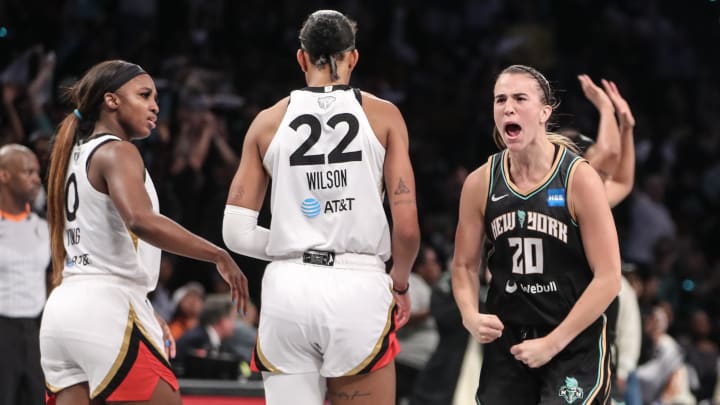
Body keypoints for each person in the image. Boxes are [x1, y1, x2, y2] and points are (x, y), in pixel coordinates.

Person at [222, 10, 420, 405]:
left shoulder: (266, 122)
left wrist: (292, 244)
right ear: (354, 57)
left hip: (287, 290)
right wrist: (399, 283)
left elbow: (235, 232)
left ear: (301, 58)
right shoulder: (384, 116)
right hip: (357, 285)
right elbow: (407, 229)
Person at [39, 60, 249, 405]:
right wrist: (218, 254)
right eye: (144, 95)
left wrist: (144, 308)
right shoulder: (118, 151)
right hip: (107, 309)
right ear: (111, 100)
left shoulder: (73, 156)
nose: (155, 106)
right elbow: (140, 220)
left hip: (63, 312)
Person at [451, 64, 621, 404]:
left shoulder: (578, 179)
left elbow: (609, 277)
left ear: (545, 112)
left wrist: (553, 342)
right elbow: (464, 266)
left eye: (519, 98)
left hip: (572, 341)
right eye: (500, 100)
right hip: (510, 342)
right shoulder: (480, 182)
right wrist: (470, 314)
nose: (508, 107)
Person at [0, 144, 49, 405]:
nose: (35, 179)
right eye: (27, 172)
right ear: (4, 175)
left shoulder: (45, 228)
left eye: (36, 172)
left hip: (35, 335)